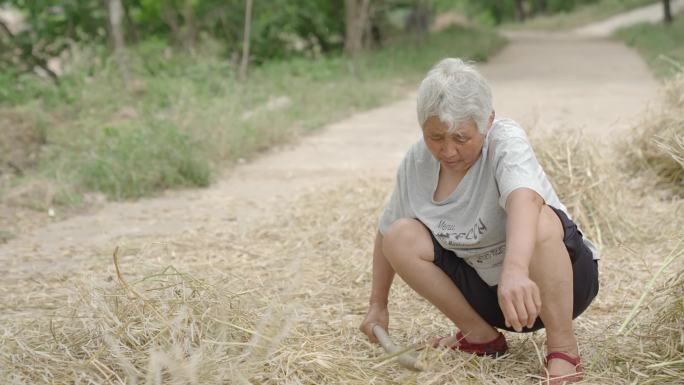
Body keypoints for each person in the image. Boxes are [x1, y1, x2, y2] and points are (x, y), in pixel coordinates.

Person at [359, 58, 600, 384]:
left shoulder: (505, 138)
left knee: (541, 221)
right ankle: (481, 337)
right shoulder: (416, 162)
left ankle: (563, 349)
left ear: (487, 121)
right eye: (435, 137)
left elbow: (524, 199)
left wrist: (515, 270)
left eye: (461, 137)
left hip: (560, 282)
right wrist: (378, 305)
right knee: (400, 236)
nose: (447, 150)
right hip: (492, 295)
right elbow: (386, 233)